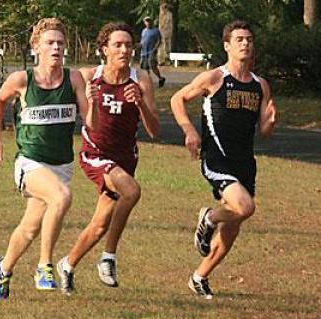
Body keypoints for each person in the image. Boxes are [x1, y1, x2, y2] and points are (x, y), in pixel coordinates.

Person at [0, 18, 98, 300]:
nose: (56, 47)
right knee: (61, 197)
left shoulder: (73, 79)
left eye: (60, 43)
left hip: (61, 163)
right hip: (30, 161)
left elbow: (91, 124)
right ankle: (44, 266)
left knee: (30, 227)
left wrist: (91, 100)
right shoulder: (22, 80)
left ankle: (4, 267)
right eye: (50, 42)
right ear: (36, 47)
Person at [170, 20, 277, 299]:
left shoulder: (260, 85)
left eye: (249, 39)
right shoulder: (215, 78)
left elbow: (264, 133)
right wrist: (189, 130)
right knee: (245, 207)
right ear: (227, 46)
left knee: (231, 230)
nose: (245, 43)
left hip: (245, 164)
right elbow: (177, 100)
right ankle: (208, 217)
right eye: (239, 39)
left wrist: (269, 123)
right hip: (217, 159)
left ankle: (199, 277)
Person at [56, 22, 160, 295]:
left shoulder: (142, 80)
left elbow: (154, 130)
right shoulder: (89, 76)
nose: (124, 49)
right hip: (96, 155)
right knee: (132, 191)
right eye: (117, 44)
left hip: (126, 158)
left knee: (100, 223)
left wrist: (139, 102)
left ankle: (67, 264)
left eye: (128, 44)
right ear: (104, 49)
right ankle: (108, 258)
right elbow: (81, 119)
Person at [140, 16, 166, 88]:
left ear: (151, 22)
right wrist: (139, 45)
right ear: (145, 23)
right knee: (145, 68)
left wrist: (155, 48)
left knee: (152, 66)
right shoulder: (144, 31)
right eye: (146, 21)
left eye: (149, 21)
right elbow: (142, 40)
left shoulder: (155, 30)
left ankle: (160, 78)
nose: (148, 22)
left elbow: (159, 40)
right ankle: (148, 82)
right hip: (143, 52)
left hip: (151, 51)